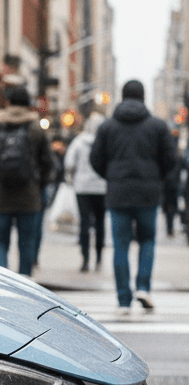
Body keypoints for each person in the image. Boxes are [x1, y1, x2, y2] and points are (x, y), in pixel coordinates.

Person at [90, 79, 178, 315]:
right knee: (147, 240)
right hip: (148, 193)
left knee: (121, 244)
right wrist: (158, 177)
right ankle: (143, 287)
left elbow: (95, 159)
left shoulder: (108, 126)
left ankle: (123, 299)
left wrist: (111, 175)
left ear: (122, 96)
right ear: (143, 97)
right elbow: (171, 159)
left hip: (118, 192)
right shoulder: (157, 126)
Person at [0, 85, 54, 276]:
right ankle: (25, 279)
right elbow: (48, 163)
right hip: (29, 195)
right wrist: (38, 185)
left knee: (1, 242)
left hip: (1, 194)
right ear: (29, 104)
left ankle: (4, 281)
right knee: (26, 241)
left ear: (8, 103)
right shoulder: (35, 129)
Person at [65, 112, 106, 271]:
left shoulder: (79, 141)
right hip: (101, 187)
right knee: (100, 223)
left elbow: (69, 162)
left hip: (82, 187)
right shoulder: (105, 142)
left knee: (84, 223)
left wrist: (71, 179)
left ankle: (85, 259)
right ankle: (99, 258)